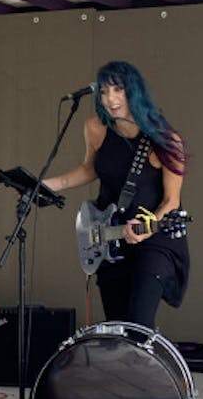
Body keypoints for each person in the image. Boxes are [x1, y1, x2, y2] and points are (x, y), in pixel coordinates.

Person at [43, 60, 190, 329]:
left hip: (153, 237)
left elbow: (171, 201)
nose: (110, 99)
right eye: (104, 91)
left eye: (118, 90)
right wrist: (47, 185)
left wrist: (147, 226)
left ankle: (145, 355)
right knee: (117, 326)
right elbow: (90, 169)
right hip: (110, 236)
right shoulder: (95, 128)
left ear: (133, 91)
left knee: (138, 322)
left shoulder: (165, 140)